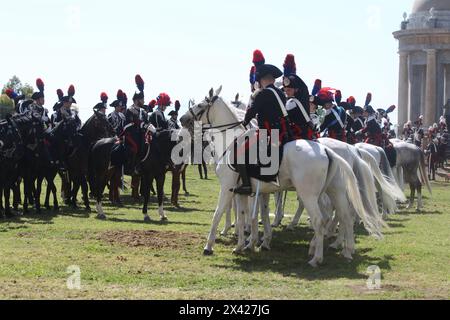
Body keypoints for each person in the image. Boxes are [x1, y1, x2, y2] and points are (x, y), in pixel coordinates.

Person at [235, 50, 290, 195]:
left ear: (263, 79)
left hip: (266, 133)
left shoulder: (263, 93)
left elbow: (252, 111)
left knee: (239, 154)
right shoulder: (281, 94)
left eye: (259, 80)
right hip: (281, 133)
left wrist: (245, 121)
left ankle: (246, 185)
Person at [282, 54, 315, 140]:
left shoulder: (292, 102)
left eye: (289, 90)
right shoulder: (297, 98)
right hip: (302, 131)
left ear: (295, 90)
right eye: (285, 90)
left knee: (274, 149)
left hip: (297, 132)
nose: (286, 92)